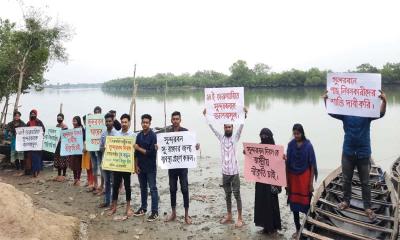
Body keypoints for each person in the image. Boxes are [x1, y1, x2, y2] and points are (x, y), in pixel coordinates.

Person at [323, 90, 387, 220]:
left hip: (364, 152)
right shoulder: (346, 113)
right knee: (346, 179)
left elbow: (380, 113)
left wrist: (384, 101)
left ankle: (367, 207)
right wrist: (326, 100)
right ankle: (346, 201)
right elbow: (331, 111)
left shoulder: (367, 113)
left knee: (366, 182)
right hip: (348, 152)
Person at [203, 107, 247, 228]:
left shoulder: (236, 137)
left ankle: (240, 218)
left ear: (232, 128)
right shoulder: (221, 137)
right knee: (227, 194)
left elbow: (242, 126)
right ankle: (229, 215)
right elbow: (211, 127)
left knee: (237, 194)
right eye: (226, 127)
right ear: (224, 128)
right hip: (225, 172)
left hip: (235, 172)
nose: (228, 129)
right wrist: (206, 116)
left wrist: (245, 113)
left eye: (230, 127)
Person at [162, 111, 200, 225]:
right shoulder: (167, 133)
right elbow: (163, 147)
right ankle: (173, 213)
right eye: (173, 119)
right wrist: (158, 146)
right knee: (172, 189)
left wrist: (196, 146)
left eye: (177, 119)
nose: (175, 121)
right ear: (171, 120)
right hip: (172, 167)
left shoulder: (185, 132)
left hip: (183, 167)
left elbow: (191, 146)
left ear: (180, 120)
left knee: (184, 189)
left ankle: (186, 215)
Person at [286, 124, 318, 239]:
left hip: (304, 179)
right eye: (294, 134)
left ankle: (309, 228)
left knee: (306, 206)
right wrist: (287, 183)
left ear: (302, 133)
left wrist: (311, 184)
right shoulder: (290, 145)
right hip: (293, 179)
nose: (296, 136)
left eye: (298, 134)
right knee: (294, 206)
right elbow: (287, 164)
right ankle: (298, 229)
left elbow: (312, 165)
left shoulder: (308, 146)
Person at [251, 128, 282, 234]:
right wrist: (247, 153)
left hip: (271, 182)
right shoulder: (259, 148)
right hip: (260, 182)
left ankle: (273, 227)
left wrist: (283, 158)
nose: (263, 138)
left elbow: (279, 165)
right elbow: (253, 159)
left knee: (271, 204)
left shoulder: (274, 150)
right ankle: (264, 226)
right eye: (262, 136)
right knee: (261, 203)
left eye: (265, 136)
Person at [109, 113, 136, 217]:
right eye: (122, 122)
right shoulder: (116, 134)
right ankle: (114, 207)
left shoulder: (133, 135)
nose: (124, 124)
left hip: (127, 165)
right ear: (120, 122)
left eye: (126, 122)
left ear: (129, 123)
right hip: (117, 165)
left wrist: (134, 165)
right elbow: (112, 147)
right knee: (115, 185)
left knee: (127, 186)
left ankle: (128, 208)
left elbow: (134, 151)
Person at [133, 114, 159, 222]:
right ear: (141, 123)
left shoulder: (153, 136)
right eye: (143, 122)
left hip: (151, 167)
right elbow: (135, 153)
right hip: (141, 167)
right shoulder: (138, 135)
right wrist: (135, 166)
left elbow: (151, 153)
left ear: (150, 123)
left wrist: (139, 148)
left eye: (147, 122)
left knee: (153, 189)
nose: (145, 124)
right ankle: (143, 208)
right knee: (143, 188)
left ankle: (154, 211)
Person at [99, 113, 118, 208]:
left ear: (113, 121)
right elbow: (100, 148)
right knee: (106, 181)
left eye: (110, 121)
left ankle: (113, 202)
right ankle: (107, 201)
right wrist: (105, 148)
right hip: (105, 161)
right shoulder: (103, 134)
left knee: (113, 182)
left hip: (114, 162)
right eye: (106, 121)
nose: (108, 123)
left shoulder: (117, 134)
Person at [26, 109, 45, 177]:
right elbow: (24, 132)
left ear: (36, 114)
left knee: (37, 157)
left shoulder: (39, 122)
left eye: (34, 114)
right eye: (31, 114)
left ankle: (37, 171)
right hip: (30, 144)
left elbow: (43, 130)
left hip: (38, 144)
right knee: (31, 157)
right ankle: (33, 171)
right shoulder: (28, 123)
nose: (33, 115)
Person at [90, 106, 104, 194]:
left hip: (100, 148)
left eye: (99, 113)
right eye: (96, 113)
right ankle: (95, 184)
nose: (97, 114)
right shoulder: (90, 122)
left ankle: (102, 185)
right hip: (92, 147)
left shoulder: (103, 123)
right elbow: (88, 134)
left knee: (101, 166)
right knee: (94, 166)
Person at [69, 116, 85, 186]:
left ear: (78, 121)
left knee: (79, 165)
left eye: (75, 121)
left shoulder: (81, 129)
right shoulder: (73, 130)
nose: (73, 122)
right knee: (73, 164)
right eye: (73, 121)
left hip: (79, 150)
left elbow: (84, 139)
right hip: (73, 150)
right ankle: (75, 179)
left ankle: (78, 179)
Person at [53, 113, 69, 182]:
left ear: (63, 118)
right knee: (58, 159)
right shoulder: (57, 126)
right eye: (58, 118)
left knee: (63, 159)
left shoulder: (65, 126)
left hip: (63, 145)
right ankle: (59, 174)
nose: (59, 119)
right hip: (57, 145)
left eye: (60, 118)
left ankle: (64, 175)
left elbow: (66, 136)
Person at [82, 115, 94, 189]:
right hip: (85, 148)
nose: (85, 122)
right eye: (84, 121)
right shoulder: (85, 128)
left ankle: (91, 182)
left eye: (86, 120)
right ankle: (88, 180)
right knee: (87, 166)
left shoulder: (93, 129)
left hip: (91, 149)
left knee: (91, 166)